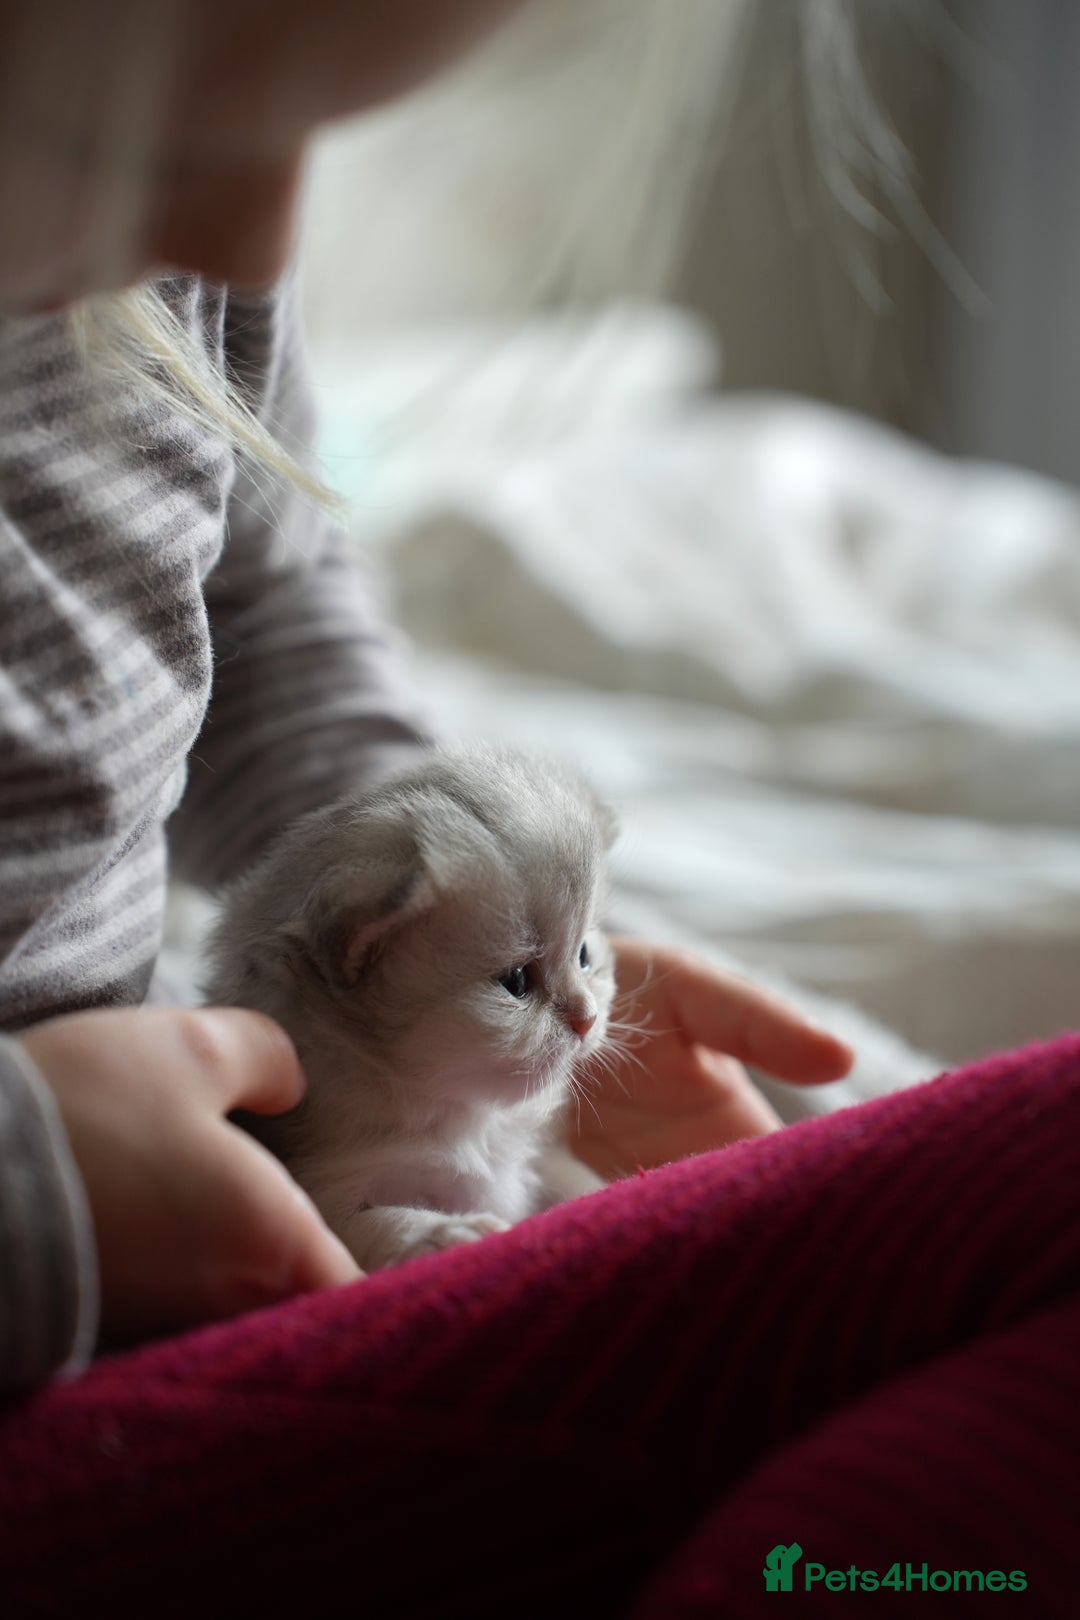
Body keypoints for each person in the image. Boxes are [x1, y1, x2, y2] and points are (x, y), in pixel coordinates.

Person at [0, 3, 1076, 1615]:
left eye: (299, 128)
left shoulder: (177, 264)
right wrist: (33, 1189)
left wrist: (472, 905)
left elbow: (266, 640)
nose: (252, 240)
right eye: (119, 135)